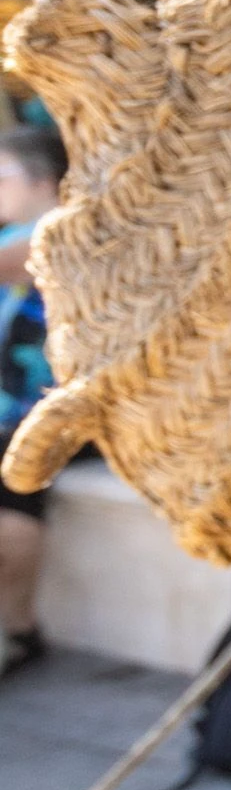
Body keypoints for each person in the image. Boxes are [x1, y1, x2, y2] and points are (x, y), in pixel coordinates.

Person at [0, 126, 63, 678]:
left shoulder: (61, 231)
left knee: (14, 512)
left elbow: (22, 260)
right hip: (11, 412)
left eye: (3, 175)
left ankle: (18, 632)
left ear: (42, 180)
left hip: (43, 414)